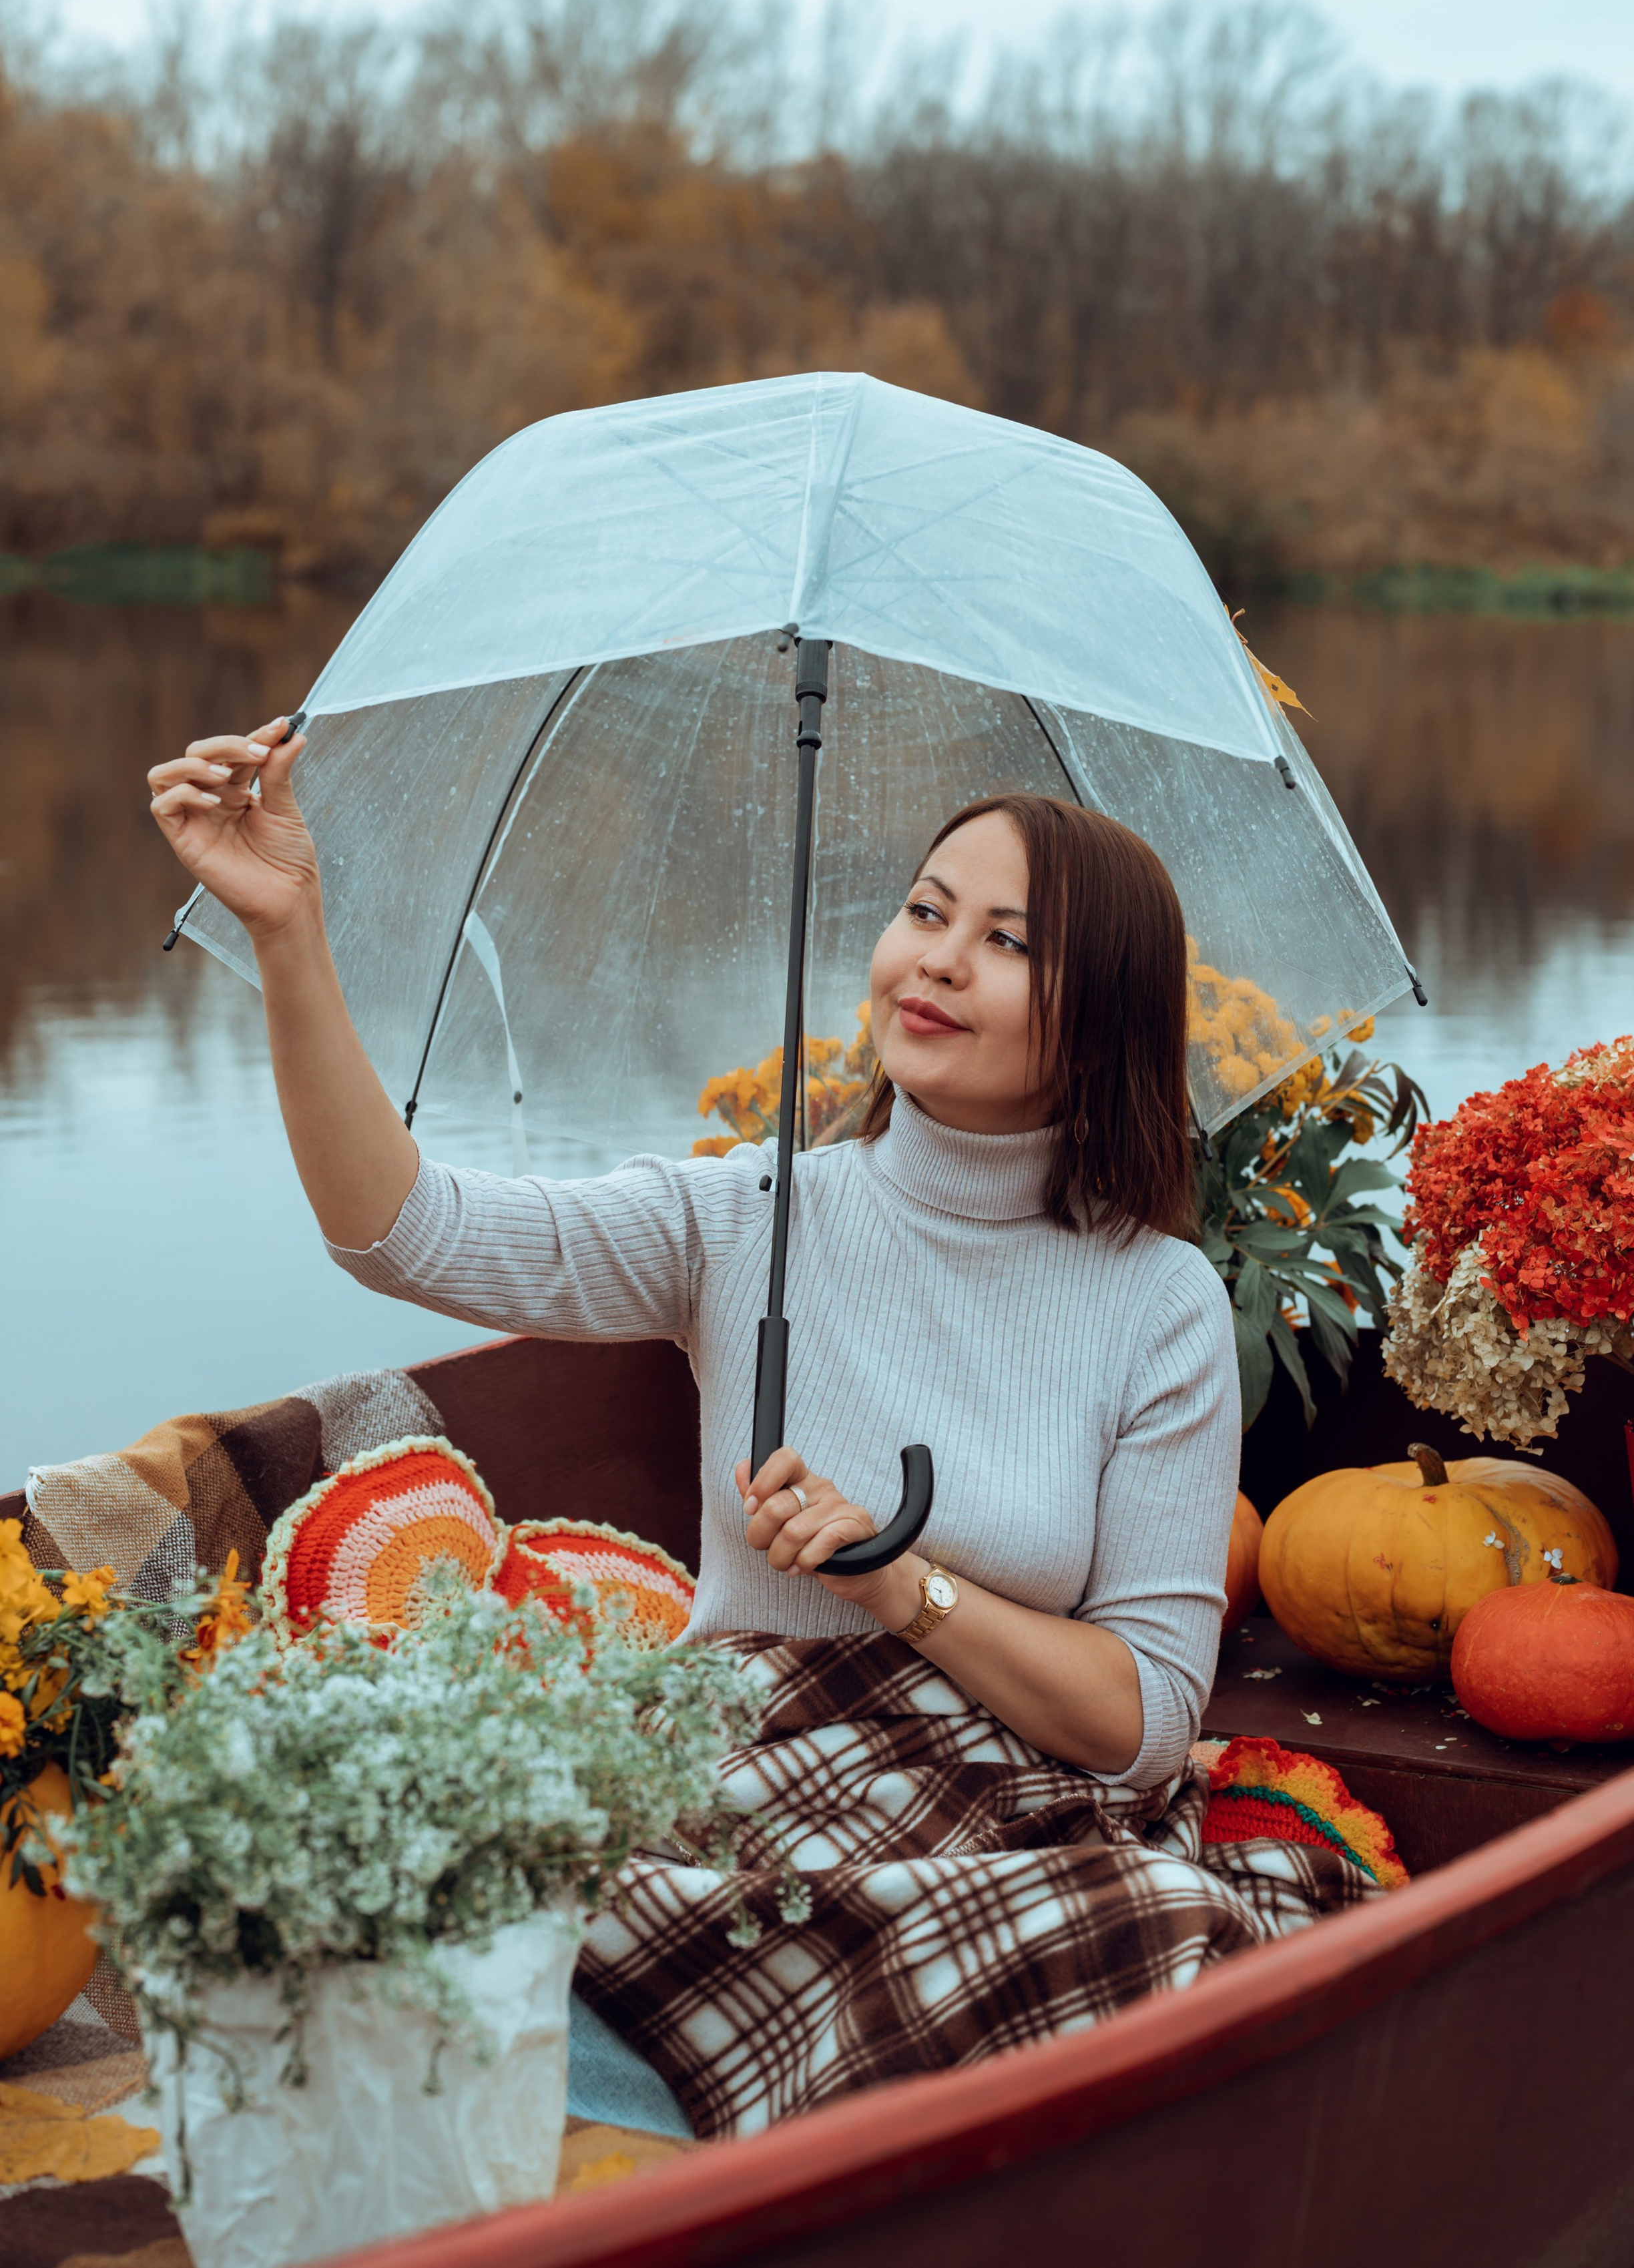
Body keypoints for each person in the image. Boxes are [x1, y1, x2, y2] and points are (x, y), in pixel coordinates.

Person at [147, 714, 1372, 2142]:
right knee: (423, 1877)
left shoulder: (1156, 1302)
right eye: (925, 912)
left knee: (1156, 1931)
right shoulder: (748, 1215)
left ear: (1100, 1014)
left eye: (1005, 942)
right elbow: (400, 1231)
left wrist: (902, 1588)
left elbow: (1147, 1723)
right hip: (736, 1774)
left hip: (1005, 1806)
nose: (935, 959)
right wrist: (289, 934)